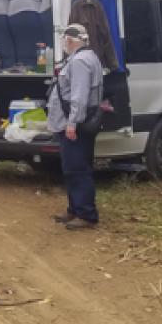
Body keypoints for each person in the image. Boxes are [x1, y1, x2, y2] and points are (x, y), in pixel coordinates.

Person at [46, 23, 104, 230]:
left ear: (69, 40)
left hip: (76, 124)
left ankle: (86, 214)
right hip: (80, 122)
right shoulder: (89, 57)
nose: (63, 43)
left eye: (63, 40)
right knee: (73, 167)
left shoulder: (79, 61)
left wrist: (72, 123)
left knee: (77, 169)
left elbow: (79, 96)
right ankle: (74, 209)